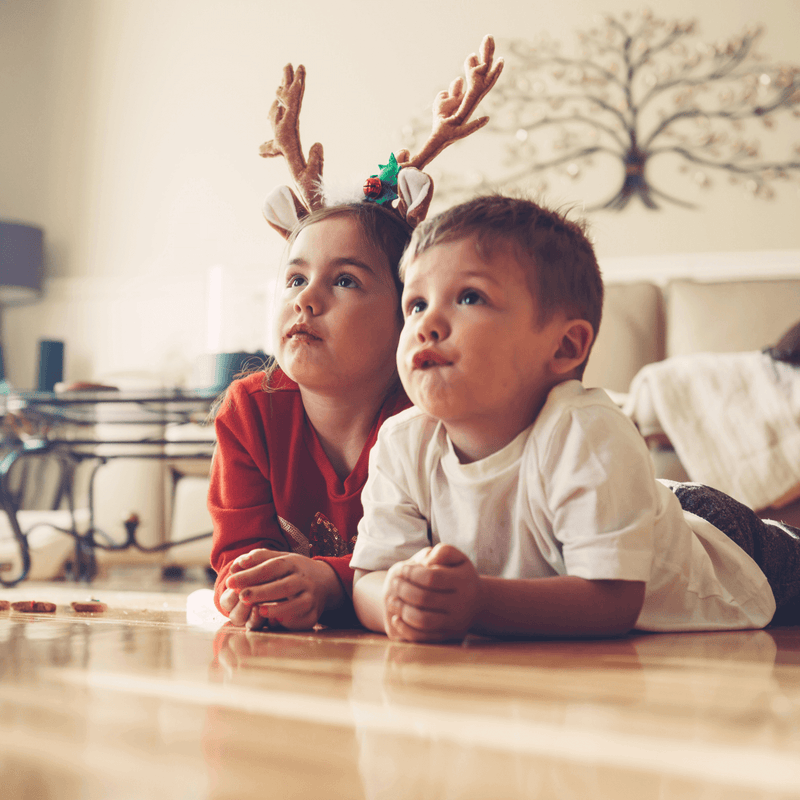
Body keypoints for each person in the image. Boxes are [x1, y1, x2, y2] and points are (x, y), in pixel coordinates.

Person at [351, 194, 800, 642]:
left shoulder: (585, 431)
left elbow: (612, 602)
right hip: (633, 504)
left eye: (470, 297)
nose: (426, 324)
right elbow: (369, 579)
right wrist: (398, 599)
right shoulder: (399, 441)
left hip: (731, 549)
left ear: (565, 347)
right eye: (415, 305)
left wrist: (477, 603)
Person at [209, 202, 412, 630]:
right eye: (296, 279)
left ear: (406, 315)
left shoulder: (428, 420)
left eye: (345, 280)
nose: (306, 298)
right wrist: (249, 590)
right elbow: (236, 553)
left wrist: (331, 583)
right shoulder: (248, 411)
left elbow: (432, 558)